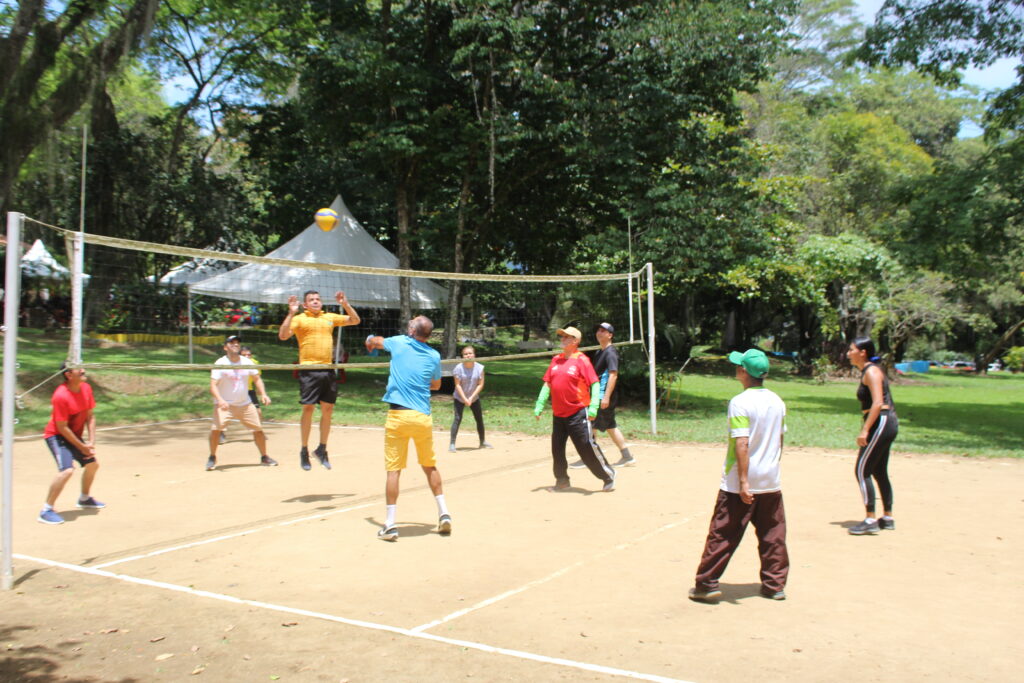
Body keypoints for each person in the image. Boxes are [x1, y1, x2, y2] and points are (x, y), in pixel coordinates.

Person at [689, 348, 788, 602]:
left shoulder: (740, 402)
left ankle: (707, 583)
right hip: (769, 479)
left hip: (740, 481)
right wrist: (771, 466)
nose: (736, 369)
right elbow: (780, 439)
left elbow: (741, 443)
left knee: (723, 531)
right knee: (772, 533)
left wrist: (744, 481)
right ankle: (774, 585)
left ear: (744, 372)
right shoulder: (777, 400)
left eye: (738, 366)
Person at [365, 316, 451, 541]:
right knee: (429, 465)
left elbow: (375, 341)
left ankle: (390, 524)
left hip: (399, 416)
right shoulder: (433, 355)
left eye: (411, 323)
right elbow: (436, 385)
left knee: (394, 470)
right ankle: (444, 513)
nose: (408, 324)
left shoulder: (400, 342)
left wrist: (369, 340)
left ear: (413, 331)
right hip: (422, 417)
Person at [278, 290, 361, 470]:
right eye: (311, 300)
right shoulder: (299, 318)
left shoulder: (329, 317)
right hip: (308, 369)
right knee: (308, 408)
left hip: (328, 369)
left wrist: (345, 305)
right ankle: (304, 450)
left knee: (328, 408)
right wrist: (290, 313)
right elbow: (283, 336)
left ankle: (322, 449)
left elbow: (355, 320)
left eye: (318, 299)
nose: (315, 302)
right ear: (305, 305)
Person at [533, 326, 616, 492]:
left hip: (577, 413)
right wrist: (540, 403)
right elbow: (548, 383)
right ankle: (562, 480)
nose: (562, 339)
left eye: (566, 337)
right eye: (562, 336)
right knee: (557, 449)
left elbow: (594, 383)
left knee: (585, 446)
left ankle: (607, 475)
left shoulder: (582, 360)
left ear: (575, 341)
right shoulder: (556, 360)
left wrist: (593, 407)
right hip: (559, 413)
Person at [846, 337, 899, 535]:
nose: (848, 353)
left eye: (852, 350)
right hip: (884, 422)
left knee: (862, 470)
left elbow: (877, 403)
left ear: (863, 352)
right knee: (878, 471)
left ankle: (870, 519)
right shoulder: (868, 371)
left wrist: (865, 430)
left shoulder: (872, 371)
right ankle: (887, 517)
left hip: (881, 422)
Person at [38, 363, 103, 524]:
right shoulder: (61, 396)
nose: (83, 370)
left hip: (73, 435)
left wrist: (91, 442)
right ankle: (46, 509)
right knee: (66, 470)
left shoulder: (86, 388)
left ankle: (84, 498)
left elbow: (90, 417)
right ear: (68, 374)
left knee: (93, 465)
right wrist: (82, 447)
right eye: (78, 368)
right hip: (57, 436)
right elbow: (62, 427)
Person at [570, 322, 634, 469]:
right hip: (598, 395)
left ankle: (588, 458)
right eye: (598, 330)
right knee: (610, 425)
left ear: (610, 335)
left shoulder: (610, 352)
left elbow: (613, 375)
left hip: (602, 396)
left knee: (590, 423)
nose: (599, 333)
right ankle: (627, 456)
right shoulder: (600, 352)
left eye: (603, 331)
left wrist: (605, 397)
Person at [206, 335, 276, 471]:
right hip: (225, 405)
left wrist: (264, 394)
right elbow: (213, 386)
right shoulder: (220, 363)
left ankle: (264, 457)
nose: (235, 345)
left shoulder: (246, 362)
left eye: (237, 343)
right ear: (225, 347)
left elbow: (257, 379)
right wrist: (220, 400)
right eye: (231, 343)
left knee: (258, 430)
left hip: (245, 404)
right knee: (216, 430)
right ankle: (212, 457)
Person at [448, 346, 493, 451]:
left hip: (474, 397)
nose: (468, 356)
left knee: (479, 419)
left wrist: (471, 397)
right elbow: (457, 385)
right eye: (465, 354)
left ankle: (482, 442)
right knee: (457, 418)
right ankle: (452, 444)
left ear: (474, 355)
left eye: (470, 353)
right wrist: (465, 398)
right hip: (460, 397)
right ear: (462, 356)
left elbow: (480, 384)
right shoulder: (458, 368)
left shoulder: (480, 368)